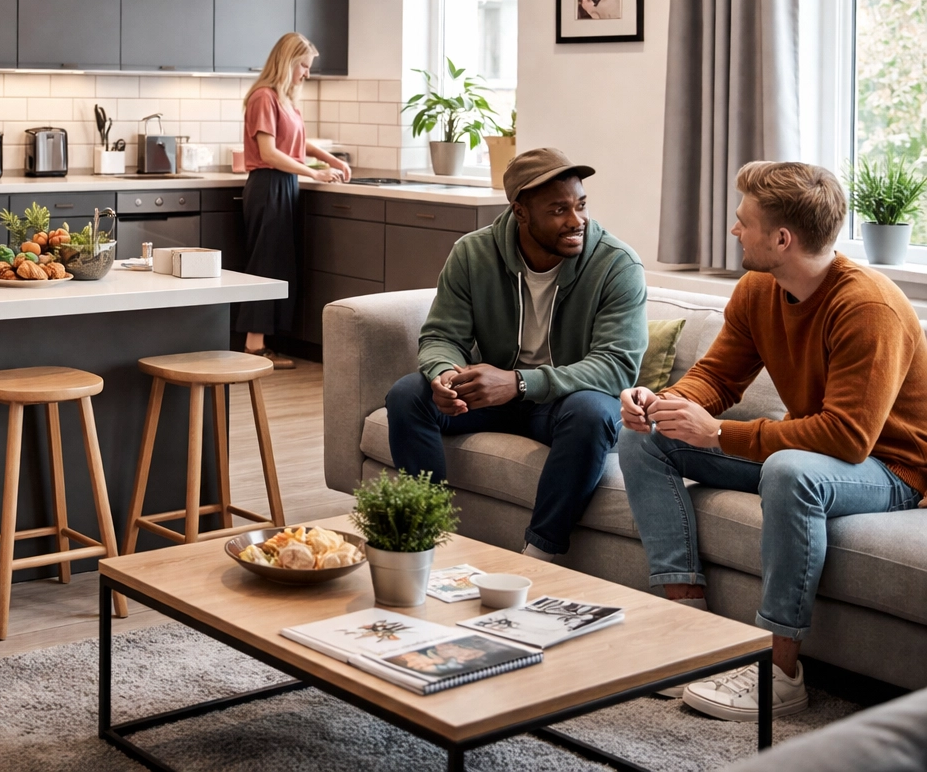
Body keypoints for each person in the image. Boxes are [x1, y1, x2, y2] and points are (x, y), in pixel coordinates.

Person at [619, 161, 927, 722]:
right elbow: (717, 377)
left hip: (892, 470)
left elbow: (848, 437)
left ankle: (779, 672)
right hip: (813, 455)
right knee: (644, 438)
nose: (734, 230)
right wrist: (664, 403)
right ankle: (692, 632)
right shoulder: (760, 288)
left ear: (781, 239)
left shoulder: (868, 307)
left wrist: (717, 434)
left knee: (788, 470)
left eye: (743, 222)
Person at [384, 148, 647, 560]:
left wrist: (521, 382)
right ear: (520, 213)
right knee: (407, 394)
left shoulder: (616, 265)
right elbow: (441, 334)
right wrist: (443, 375)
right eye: (559, 210)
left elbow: (618, 367)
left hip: (563, 404)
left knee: (593, 413)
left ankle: (541, 553)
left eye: (580, 205)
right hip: (494, 397)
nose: (576, 221)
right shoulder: (473, 253)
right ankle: (422, 537)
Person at [236, 32, 351, 369]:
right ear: (287, 62)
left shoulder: (284, 100)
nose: (306, 73)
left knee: (278, 263)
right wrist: (314, 174)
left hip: (285, 184)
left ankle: (263, 344)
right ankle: (253, 347)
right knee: (264, 264)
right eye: (303, 65)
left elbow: (297, 144)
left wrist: (331, 159)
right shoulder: (263, 98)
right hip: (268, 185)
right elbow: (270, 153)